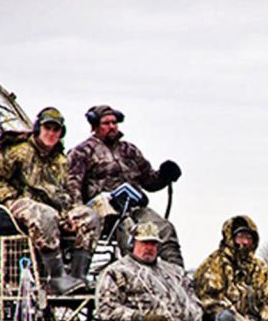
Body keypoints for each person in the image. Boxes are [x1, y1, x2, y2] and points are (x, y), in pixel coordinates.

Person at [0, 107, 101, 295]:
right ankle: (56, 277)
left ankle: (78, 277)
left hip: (50, 209)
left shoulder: (60, 160)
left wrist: (67, 217)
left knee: (90, 216)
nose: (51, 133)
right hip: (18, 203)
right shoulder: (17, 150)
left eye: (56, 130)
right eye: (47, 128)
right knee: (45, 214)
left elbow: (62, 193)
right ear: (38, 128)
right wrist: (10, 198)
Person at [67, 104, 184, 267]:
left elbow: (149, 181)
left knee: (164, 228)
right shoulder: (81, 152)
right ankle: (135, 275)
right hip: (105, 213)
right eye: (106, 123)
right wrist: (79, 214)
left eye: (114, 122)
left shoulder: (129, 150)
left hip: (135, 208)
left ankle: (176, 273)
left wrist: (165, 176)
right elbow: (73, 187)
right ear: (95, 126)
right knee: (130, 231)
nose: (112, 127)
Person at [95, 221, 202, 321]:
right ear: (132, 244)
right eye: (144, 243)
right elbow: (106, 310)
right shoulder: (117, 272)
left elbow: (195, 304)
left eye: (153, 244)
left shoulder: (176, 272)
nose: (149, 248)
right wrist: (143, 318)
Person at [194, 215, 268, 321]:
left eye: (249, 238)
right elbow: (210, 302)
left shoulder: (258, 267)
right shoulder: (215, 264)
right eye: (241, 237)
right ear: (230, 238)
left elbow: (267, 300)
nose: (245, 242)